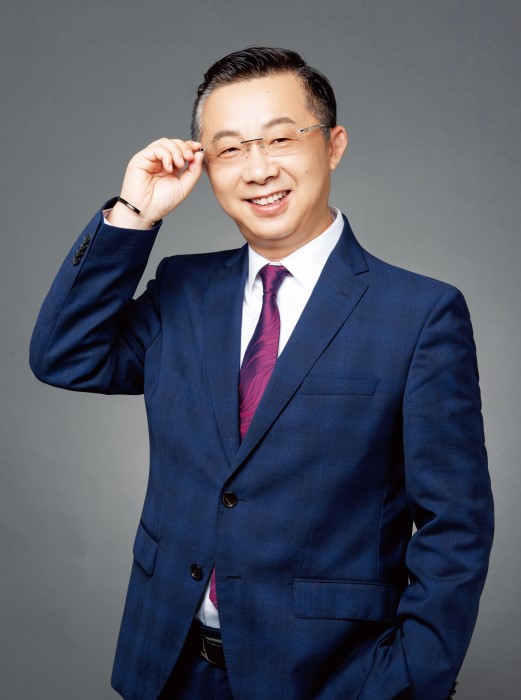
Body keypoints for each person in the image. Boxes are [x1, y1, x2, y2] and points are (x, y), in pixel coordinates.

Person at [30, 47, 493, 700]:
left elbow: (455, 527)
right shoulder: (182, 291)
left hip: (329, 679)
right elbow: (65, 353)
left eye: (280, 139)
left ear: (333, 145)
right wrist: (135, 213)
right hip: (165, 667)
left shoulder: (418, 314)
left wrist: (408, 681)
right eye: (229, 149)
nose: (258, 170)